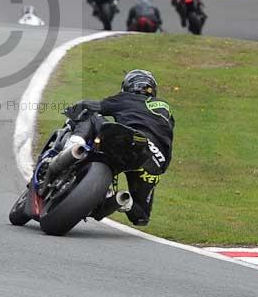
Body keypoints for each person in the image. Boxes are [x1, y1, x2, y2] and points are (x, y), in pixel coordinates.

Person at [63, 70, 174, 227]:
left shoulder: (126, 98)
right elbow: (167, 139)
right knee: (141, 215)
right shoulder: (166, 110)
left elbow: (95, 106)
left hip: (127, 138)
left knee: (89, 114)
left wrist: (75, 108)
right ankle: (123, 200)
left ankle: (74, 146)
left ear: (127, 87)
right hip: (155, 159)